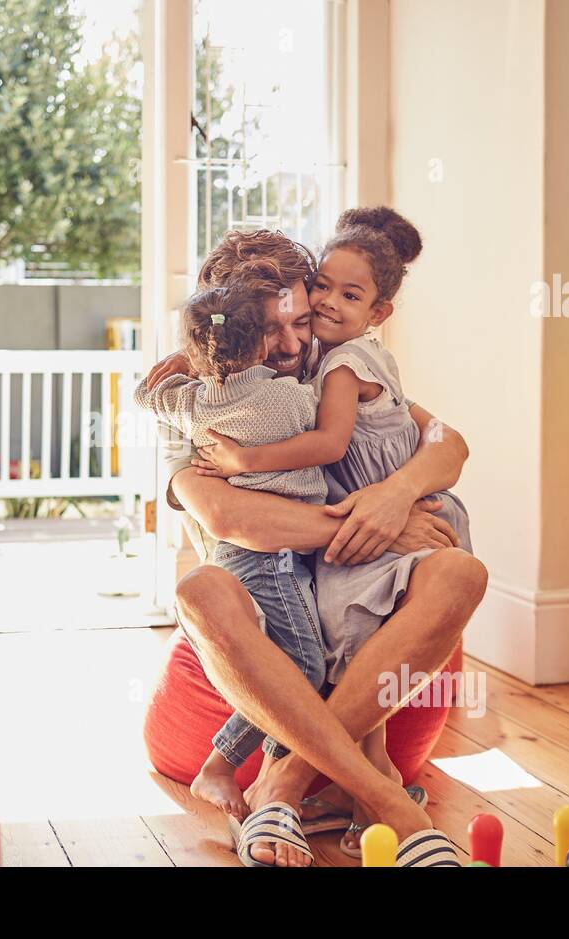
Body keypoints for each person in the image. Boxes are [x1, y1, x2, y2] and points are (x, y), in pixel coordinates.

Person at [143, 226, 485, 866]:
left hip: (371, 675)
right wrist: (379, 527)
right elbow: (230, 517)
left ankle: (289, 785)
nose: (292, 344)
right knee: (200, 588)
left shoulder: (331, 365)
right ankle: (384, 799)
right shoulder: (195, 398)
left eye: (302, 320)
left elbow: (449, 443)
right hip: (255, 676)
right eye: (272, 329)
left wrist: (394, 496)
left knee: (461, 573)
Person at [134, 281, 327, 822]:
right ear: (262, 346)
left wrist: (183, 361)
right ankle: (230, 766)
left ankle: (262, 776)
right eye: (273, 330)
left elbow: (145, 396)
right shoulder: (290, 398)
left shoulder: (191, 405)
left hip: (246, 559)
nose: (289, 344)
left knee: (291, 663)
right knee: (305, 670)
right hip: (274, 560)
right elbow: (332, 414)